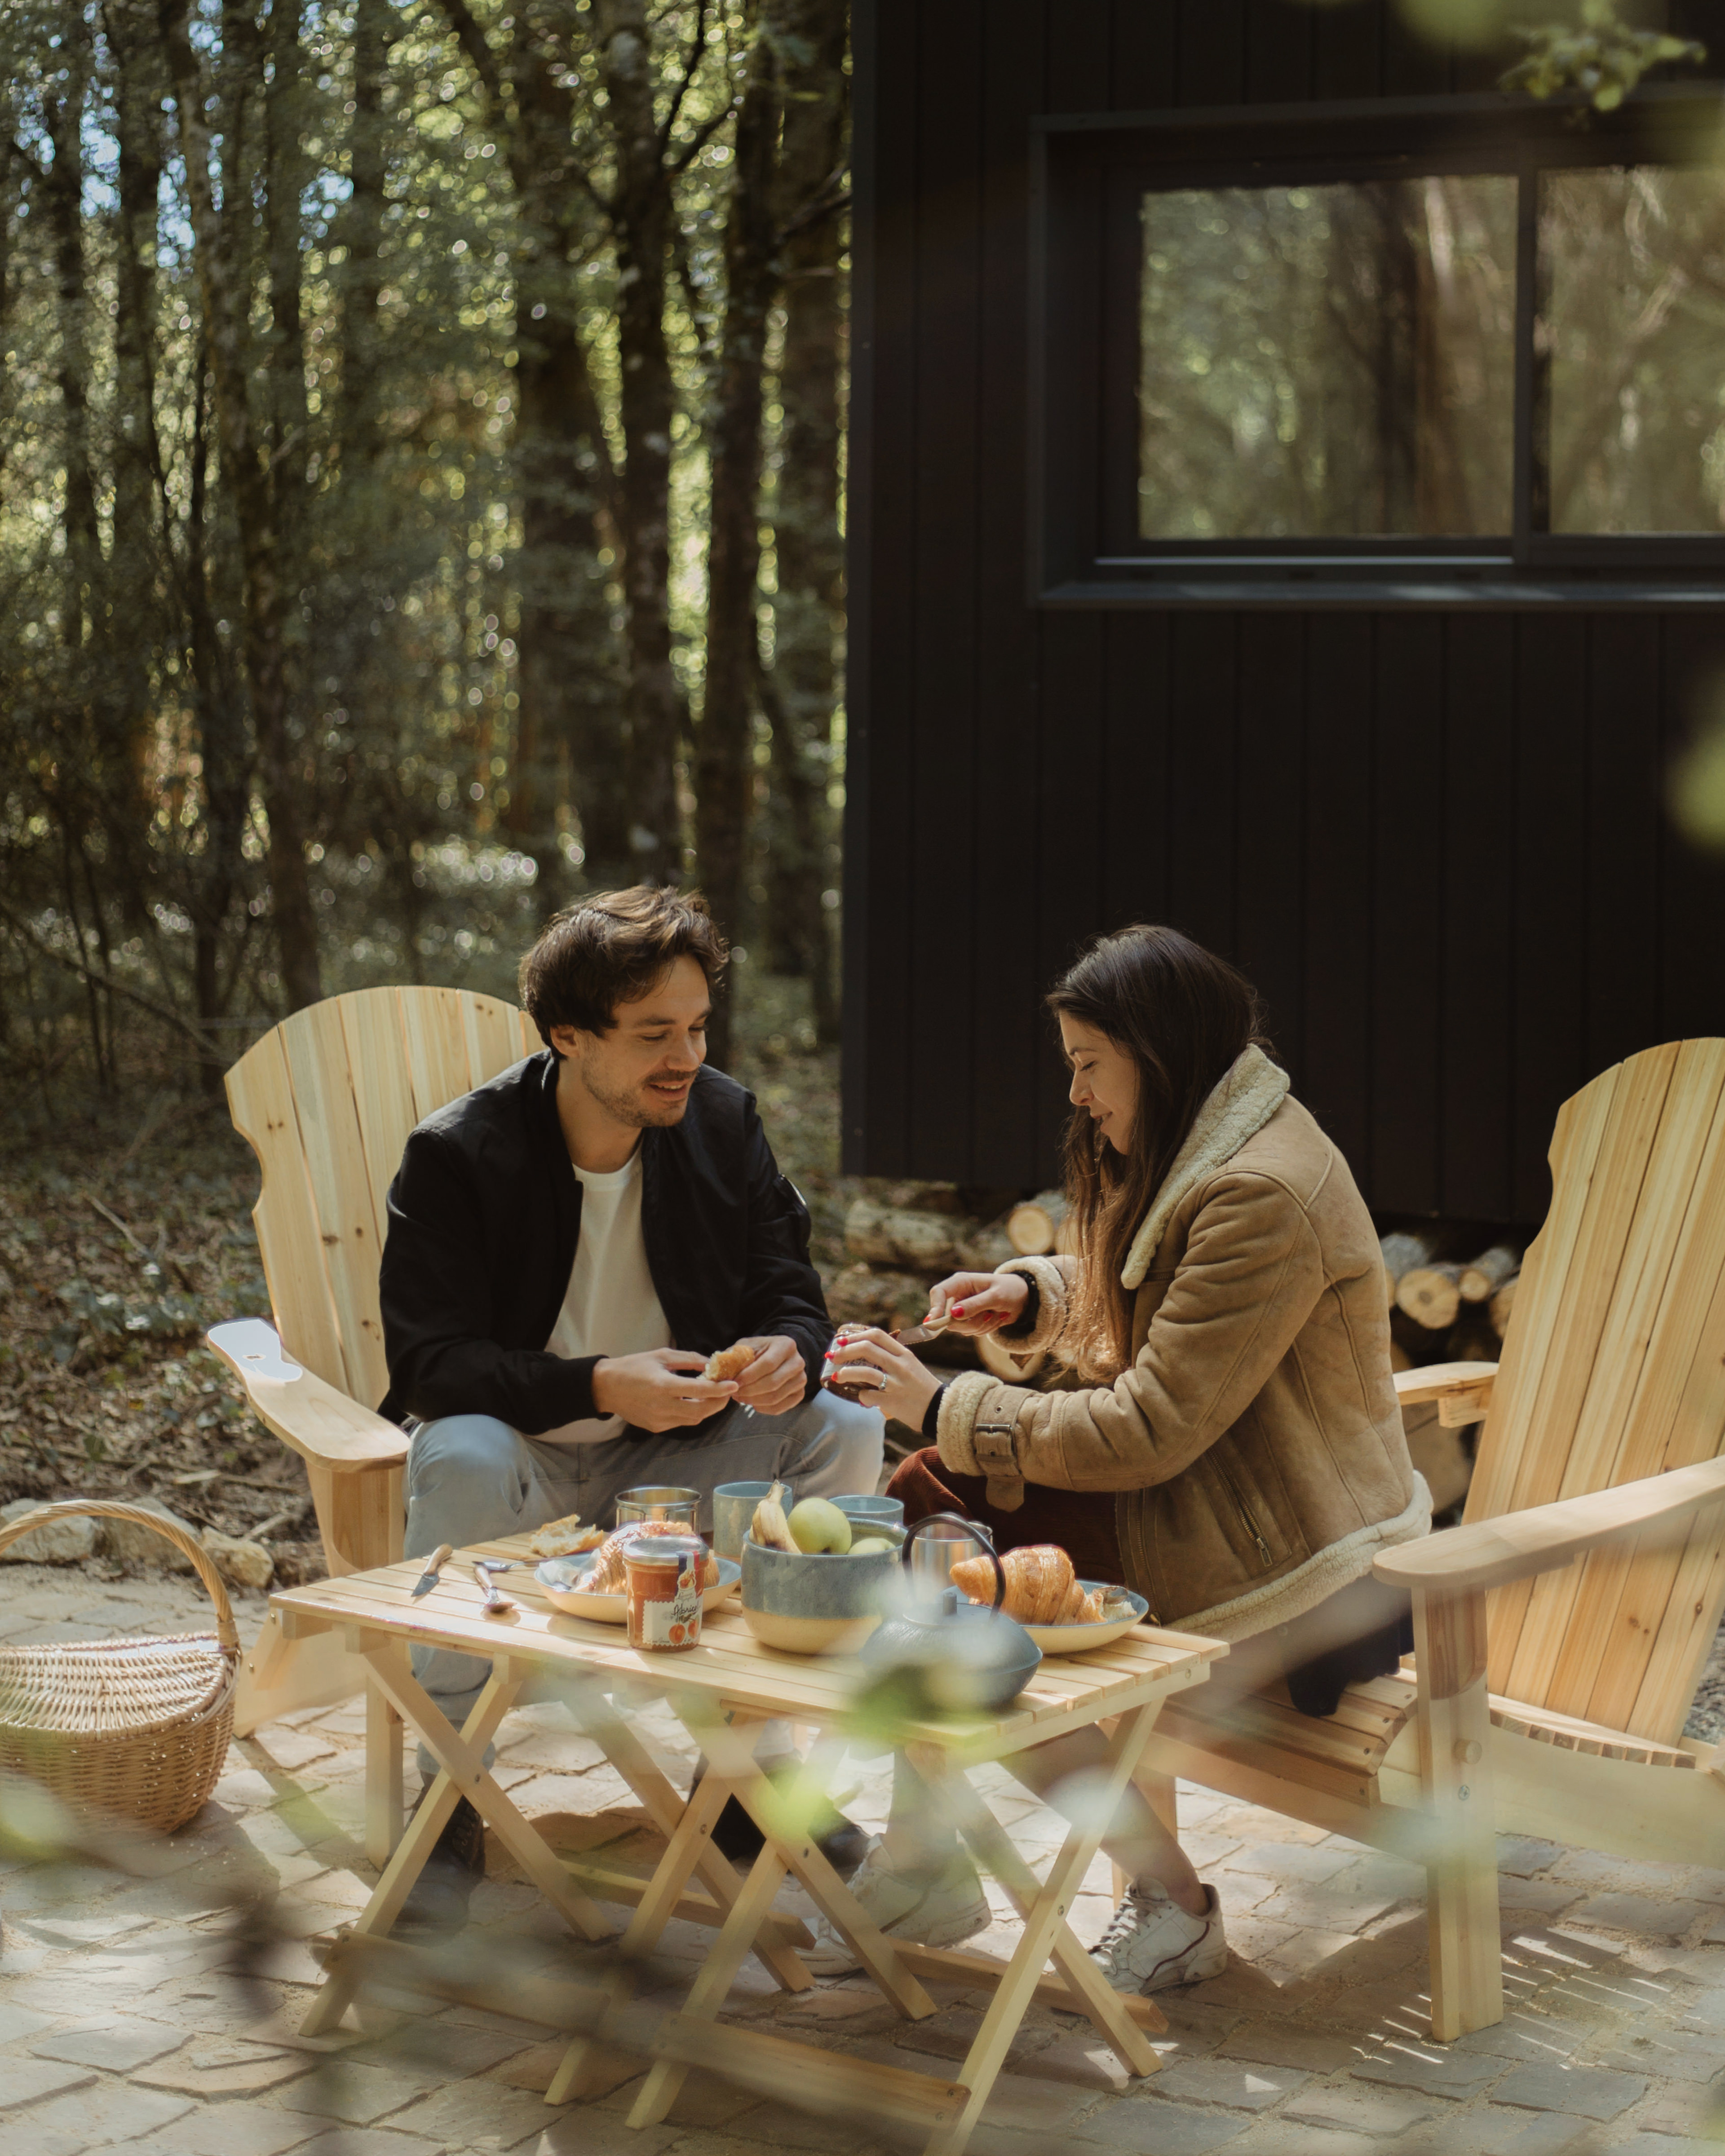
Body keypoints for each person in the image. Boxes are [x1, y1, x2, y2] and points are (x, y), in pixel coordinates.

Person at [825, 923, 1428, 1993]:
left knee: (986, 1671)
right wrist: (1033, 1296)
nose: (1078, 1095)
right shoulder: (1205, 1146)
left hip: (1292, 1563)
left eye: (1086, 1065)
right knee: (928, 1518)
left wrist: (939, 1399)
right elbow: (1155, 1304)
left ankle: (1177, 1906)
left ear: (1151, 1052)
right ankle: (926, 1860)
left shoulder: (1263, 1194)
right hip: (1203, 1509)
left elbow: (1150, 1425)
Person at [379, 886, 883, 1922]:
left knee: (843, 1421)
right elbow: (430, 1364)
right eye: (655, 1033)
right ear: (570, 1037)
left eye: (697, 1028)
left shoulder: (723, 1123)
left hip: (671, 1476)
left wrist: (791, 1351)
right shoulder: (458, 1155)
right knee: (459, 1452)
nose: (686, 1057)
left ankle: (749, 1769)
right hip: (522, 1474)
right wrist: (598, 1382)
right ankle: (447, 1793)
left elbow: (790, 1290)